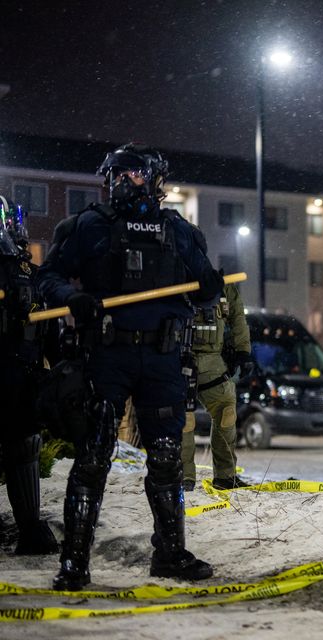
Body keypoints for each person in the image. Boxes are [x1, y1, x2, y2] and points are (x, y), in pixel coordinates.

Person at [38, 144, 222, 590]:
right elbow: (47, 278)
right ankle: (75, 563)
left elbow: (204, 289)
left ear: (155, 180)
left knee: (164, 459)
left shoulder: (180, 231)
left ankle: (171, 554)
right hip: (107, 355)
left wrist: (210, 287)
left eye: (135, 173)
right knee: (94, 456)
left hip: (162, 358)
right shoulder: (88, 226)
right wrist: (71, 298)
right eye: (118, 173)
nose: (125, 181)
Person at [0, 200, 59, 555]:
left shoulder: (28, 274)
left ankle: (30, 529)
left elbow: (49, 331)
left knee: (23, 445)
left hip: (19, 374)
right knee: (22, 446)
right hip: (18, 374)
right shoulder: (25, 273)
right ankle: (30, 529)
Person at [182, 275, 253, 492]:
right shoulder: (174, 279)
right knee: (183, 419)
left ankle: (225, 476)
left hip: (214, 360)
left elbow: (238, 316)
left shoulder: (222, 285)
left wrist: (243, 352)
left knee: (226, 412)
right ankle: (184, 477)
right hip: (179, 357)